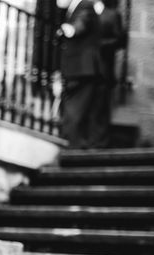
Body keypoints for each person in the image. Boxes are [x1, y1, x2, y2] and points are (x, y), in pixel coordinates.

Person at [56, 0, 104, 148]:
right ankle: (74, 147)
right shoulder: (76, 6)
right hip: (78, 69)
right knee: (75, 112)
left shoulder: (85, 4)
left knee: (74, 112)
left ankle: (72, 150)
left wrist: (69, 29)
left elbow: (81, 24)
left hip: (82, 69)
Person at [91, 0, 127, 147]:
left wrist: (100, 45)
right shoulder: (86, 10)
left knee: (101, 106)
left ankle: (99, 142)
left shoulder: (113, 14)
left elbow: (120, 40)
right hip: (86, 67)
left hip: (103, 67)